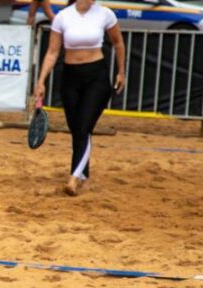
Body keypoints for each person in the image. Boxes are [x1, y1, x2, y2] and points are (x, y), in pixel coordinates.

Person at [33, 0, 125, 196]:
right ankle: (83, 174)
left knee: (84, 126)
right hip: (70, 77)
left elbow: (118, 42)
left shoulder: (105, 14)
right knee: (77, 129)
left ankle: (74, 178)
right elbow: (52, 52)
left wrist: (121, 72)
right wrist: (41, 81)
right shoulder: (63, 17)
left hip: (96, 77)